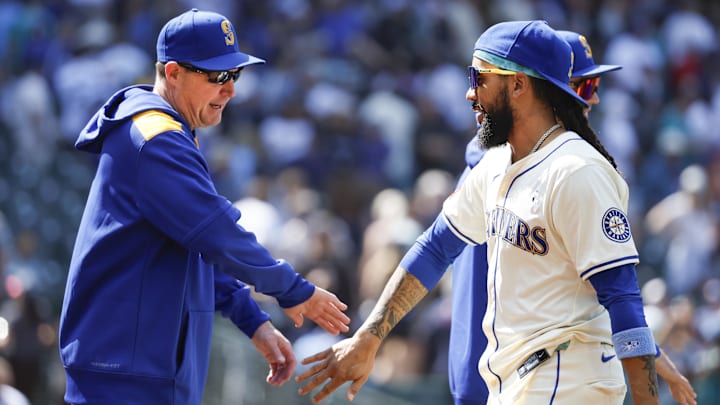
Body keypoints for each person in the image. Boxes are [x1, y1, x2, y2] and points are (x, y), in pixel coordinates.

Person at [297, 20, 659, 405]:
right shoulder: (498, 161)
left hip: (566, 379)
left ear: (518, 85)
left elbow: (622, 299)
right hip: (517, 382)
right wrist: (369, 338)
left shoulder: (576, 171)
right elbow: (437, 247)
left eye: (480, 77)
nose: (470, 94)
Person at [57, 9, 350, 405]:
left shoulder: (174, 132)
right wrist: (293, 291)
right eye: (218, 76)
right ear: (174, 73)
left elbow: (193, 249)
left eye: (235, 75)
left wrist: (252, 320)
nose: (230, 90)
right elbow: (216, 234)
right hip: (125, 369)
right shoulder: (154, 138)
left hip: (144, 364)